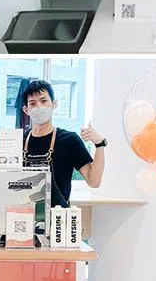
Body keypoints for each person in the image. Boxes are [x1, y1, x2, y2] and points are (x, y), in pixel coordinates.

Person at [21, 80, 105, 208]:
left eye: (44, 101)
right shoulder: (19, 142)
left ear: (54, 104)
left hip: (58, 219)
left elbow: (94, 181)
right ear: (26, 110)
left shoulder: (69, 140)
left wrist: (99, 144)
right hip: (21, 216)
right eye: (33, 103)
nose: (39, 107)